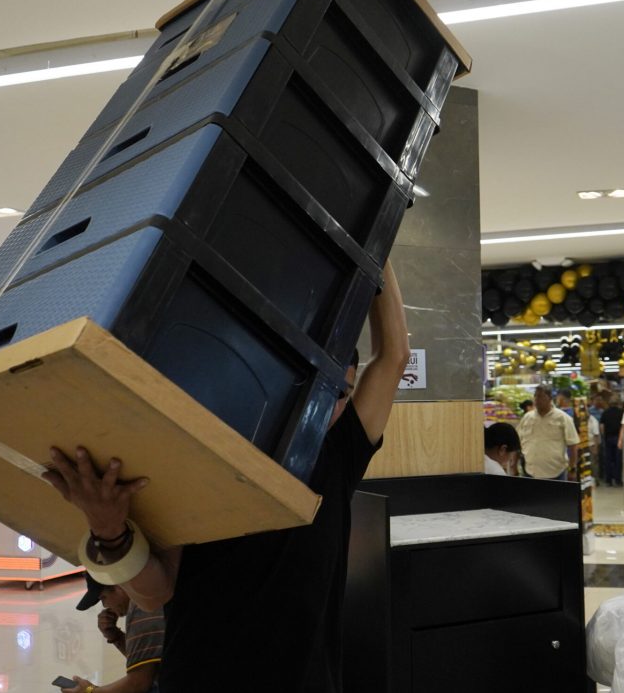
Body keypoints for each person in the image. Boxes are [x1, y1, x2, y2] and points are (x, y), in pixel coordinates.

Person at [42, 260, 410, 691]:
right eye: (319, 390)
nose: (326, 409)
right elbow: (154, 592)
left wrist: (373, 251)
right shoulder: (207, 450)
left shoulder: (339, 453)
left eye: (341, 395)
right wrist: (109, 532)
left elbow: (395, 355)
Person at [62, 573, 164, 693]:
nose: (105, 605)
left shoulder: (142, 607)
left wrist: (89, 690)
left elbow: (138, 684)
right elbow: (147, 661)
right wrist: (115, 636)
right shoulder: (152, 591)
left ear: (118, 587)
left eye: (103, 598)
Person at [517, 384, 579, 480]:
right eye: (535, 396)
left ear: (550, 398)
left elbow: (573, 445)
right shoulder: (527, 418)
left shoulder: (562, 418)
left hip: (556, 474)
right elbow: (518, 441)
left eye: (541, 396)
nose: (537, 399)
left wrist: (572, 469)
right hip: (530, 472)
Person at [599, 397, 624, 486]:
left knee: (608, 459)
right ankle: (618, 480)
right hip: (618, 438)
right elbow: (623, 425)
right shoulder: (622, 412)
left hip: (608, 438)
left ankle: (608, 480)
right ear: (617, 403)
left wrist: (603, 436)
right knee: (618, 460)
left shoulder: (605, 412)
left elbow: (602, 426)